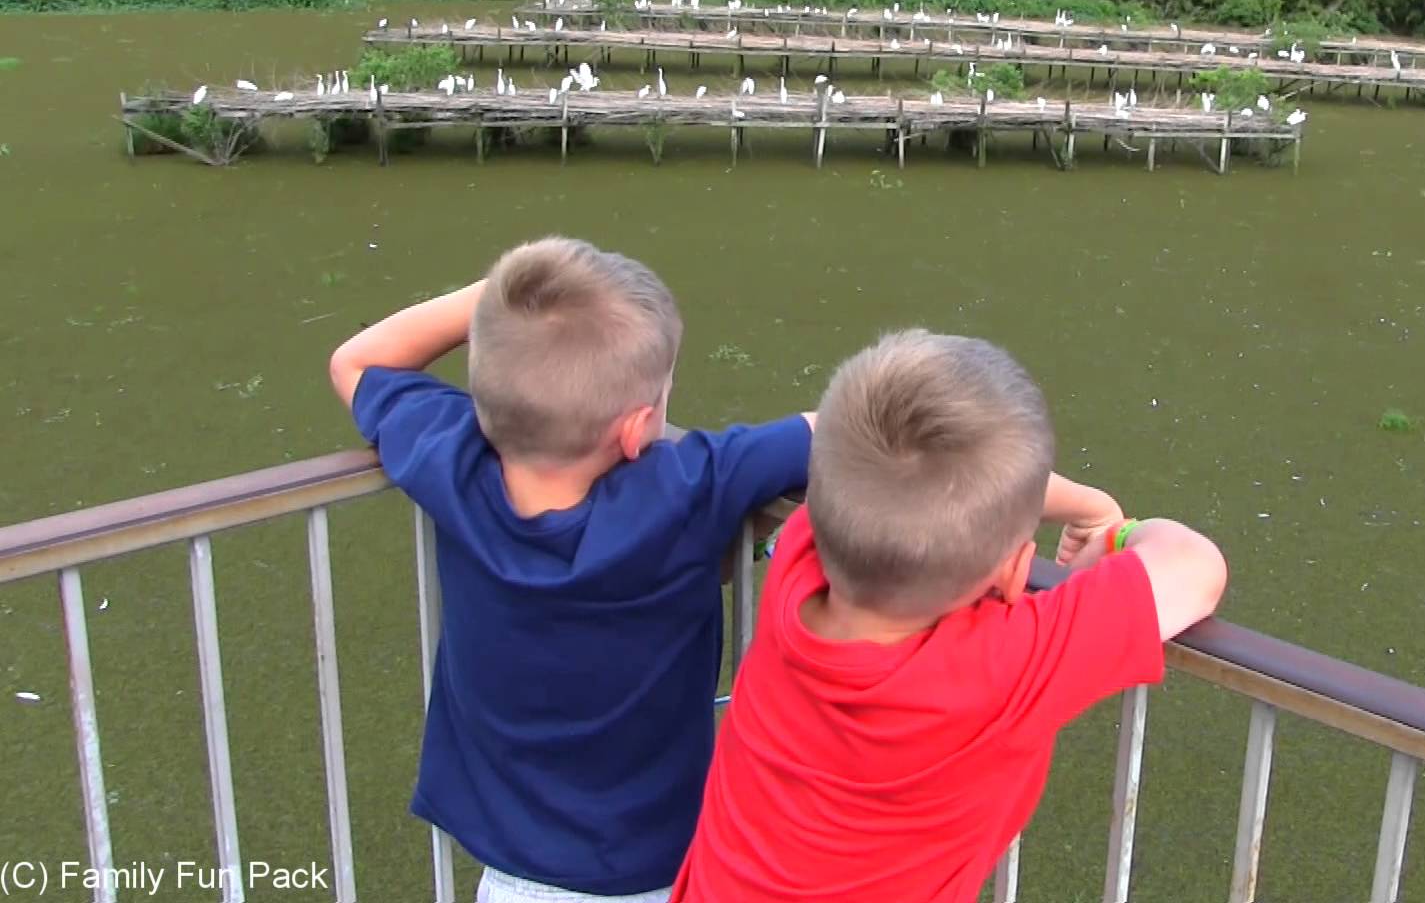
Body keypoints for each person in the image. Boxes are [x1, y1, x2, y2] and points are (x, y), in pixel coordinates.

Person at [327, 237, 812, 903]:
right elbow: (834, 431)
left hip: (511, 870)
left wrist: (498, 296)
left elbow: (355, 359)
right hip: (660, 867)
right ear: (636, 428)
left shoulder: (452, 462)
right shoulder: (689, 486)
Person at [673, 329, 1228, 903]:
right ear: (1015, 572)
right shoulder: (1001, 668)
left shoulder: (803, 559)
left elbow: (859, 456)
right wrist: (1114, 525)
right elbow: (1195, 566)